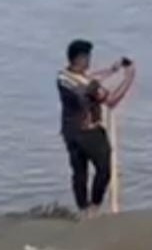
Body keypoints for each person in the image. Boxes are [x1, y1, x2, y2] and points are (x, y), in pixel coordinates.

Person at [57, 40, 136, 217]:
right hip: (89, 133)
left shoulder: (62, 77)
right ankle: (94, 207)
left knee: (79, 173)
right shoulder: (89, 87)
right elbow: (111, 101)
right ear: (81, 58)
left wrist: (112, 70)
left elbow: (87, 77)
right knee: (104, 169)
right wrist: (128, 78)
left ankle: (82, 209)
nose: (89, 61)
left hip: (70, 132)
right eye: (87, 57)